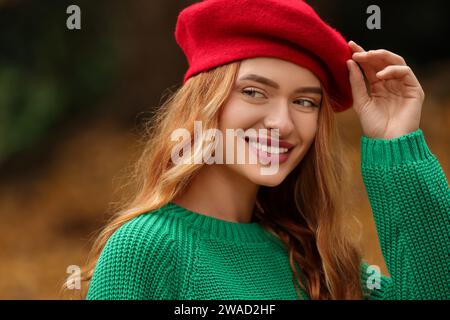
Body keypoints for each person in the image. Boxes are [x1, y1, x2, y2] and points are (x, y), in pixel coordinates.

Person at [83, 0, 449, 299]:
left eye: (305, 102)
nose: (283, 124)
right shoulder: (145, 249)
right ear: (204, 104)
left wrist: (395, 143)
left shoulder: (316, 261)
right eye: (254, 92)